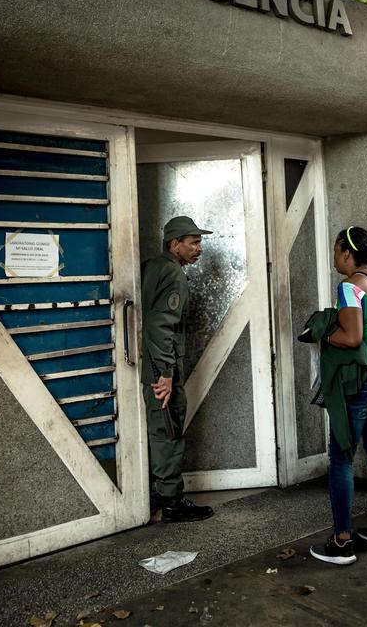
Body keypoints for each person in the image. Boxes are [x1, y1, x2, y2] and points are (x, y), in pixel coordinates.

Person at [308, 226, 367, 565]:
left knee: (342, 458)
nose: (334, 258)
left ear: (347, 253)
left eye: (335, 251)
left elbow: (350, 337)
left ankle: (342, 540)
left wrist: (320, 333)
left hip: (362, 380)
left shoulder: (349, 287)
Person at [141, 215, 214, 523]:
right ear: (175, 244)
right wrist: (166, 373)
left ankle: (159, 491)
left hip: (150, 363)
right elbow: (160, 326)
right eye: (193, 242)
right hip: (160, 367)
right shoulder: (172, 274)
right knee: (169, 428)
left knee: (161, 429)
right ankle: (171, 501)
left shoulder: (152, 266)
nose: (199, 248)